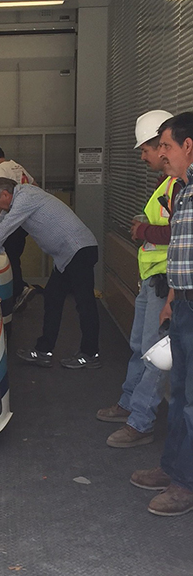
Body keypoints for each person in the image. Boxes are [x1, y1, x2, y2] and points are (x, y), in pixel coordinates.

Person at [97, 110, 178, 448]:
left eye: (146, 149)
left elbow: (181, 234)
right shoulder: (168, 183)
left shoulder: (179, 185)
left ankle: (141, 421)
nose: (144, 157)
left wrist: (144, 229)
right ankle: (130, 402)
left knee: (155, 354)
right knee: (139, 349)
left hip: (165, 282)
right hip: (151, 280)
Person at [130, 111, 193, 516]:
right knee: (181, 394)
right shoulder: (183, 191)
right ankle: (174, 469)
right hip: (184, 302)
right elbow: (182, 250)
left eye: (166, 145)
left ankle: (185, 484)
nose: (162, 153)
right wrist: (173, 296)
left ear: (188, 146)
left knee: (192, 402)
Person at [0, 177, 100, 368]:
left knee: (85, 304)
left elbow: (5, 228)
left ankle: (90, 354)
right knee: (52, 298)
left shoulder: (26, 198)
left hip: (79, 251)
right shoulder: (16, 200)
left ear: (5, 194)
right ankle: (44, 351)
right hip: (66, 256)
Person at [0, 144, 37, 311]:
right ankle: (20, 289)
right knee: (14, 255)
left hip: (13, 220)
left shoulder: (1, 169)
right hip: (24, 221)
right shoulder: (17, 166)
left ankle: (19, 290)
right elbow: (35, 185)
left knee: (8, 258)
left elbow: (0, 196)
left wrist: (1, 227)